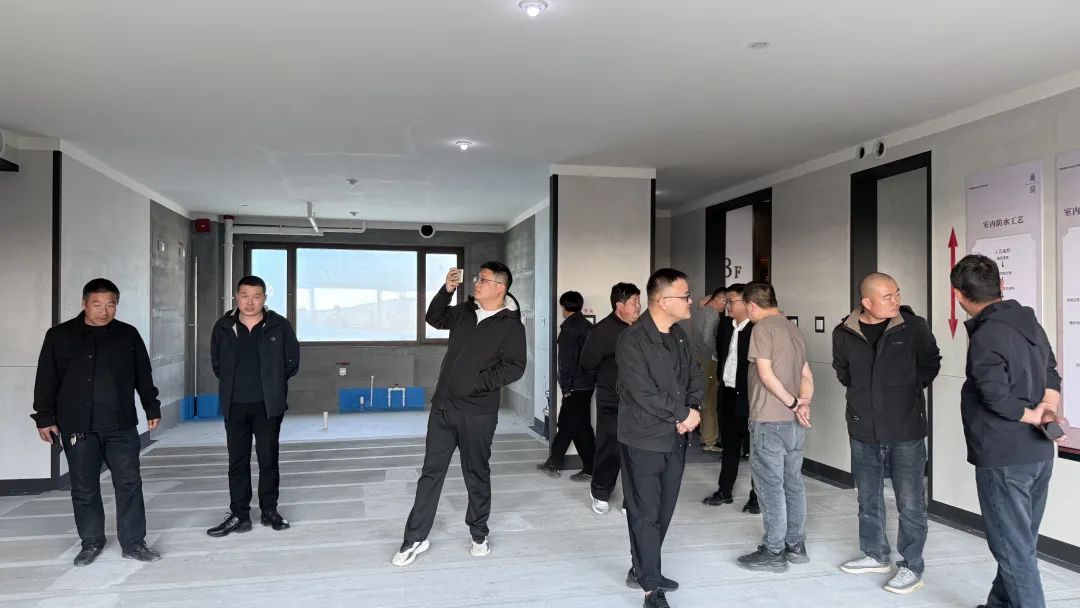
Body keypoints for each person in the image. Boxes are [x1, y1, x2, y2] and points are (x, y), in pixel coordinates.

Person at [392, 262, 527, 566]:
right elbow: (434, 317)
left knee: (476, 473)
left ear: (500, 288)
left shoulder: (511, 326)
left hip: (477, 414)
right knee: (430, 473)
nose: (476, 282)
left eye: (483, 279)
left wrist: (477, 383)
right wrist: (447, 290)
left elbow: (515, 367)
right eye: (477, 277)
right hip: (443, 408)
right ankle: (415, 537)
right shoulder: (465, 311)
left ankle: (478, 532)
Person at [951, 254, 1064, 608]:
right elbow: (1051, 372)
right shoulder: (1028, 322)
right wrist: (1047, 410)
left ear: (958, 295)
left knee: (1013, 549)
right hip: (1038, 453)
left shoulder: (986, 335)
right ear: (1001, 285)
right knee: (1019, 542)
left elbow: (995, 396)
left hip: (1004, 456)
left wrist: (1031, 415)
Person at [32, 278, 162, 566]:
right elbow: (46, 378)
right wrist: (44, 417)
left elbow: (143, 374)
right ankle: (91, 542)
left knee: (129, 484)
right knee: (84, 487)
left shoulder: (128, 335)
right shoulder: (59, 336)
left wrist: (151, 406)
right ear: (84, 304)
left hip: (120, 425)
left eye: (110, 305)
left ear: (117, 305)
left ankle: (134, 543)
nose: (104, 311)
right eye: (97, 305)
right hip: (78, 426)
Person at [833, 272, 941, 594]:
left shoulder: (913, 326)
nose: (895, 300)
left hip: (905, 429)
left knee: (910, 502)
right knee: (868, 498)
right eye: (887, 296)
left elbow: (930, 363)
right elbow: (843, 372)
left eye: (897, 293)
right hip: (863, 428)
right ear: (867, 302)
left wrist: (907, 393)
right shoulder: (844, 332)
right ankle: (875, 554)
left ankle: (911, 566)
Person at [617, 268, 704, 608]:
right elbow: (643, 392)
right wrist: (682, 414)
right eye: (685, 296)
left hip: (675, 439)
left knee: (664, 510)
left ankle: (643, 567)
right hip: (643, 440)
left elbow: (696, 375)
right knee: (644, 512)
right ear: (664, 301)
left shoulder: (678, 335)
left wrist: (691, 410)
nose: (690, 301)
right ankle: (651, 588)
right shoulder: (632, 340)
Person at [207, 275, 300, 537]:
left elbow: (292, 362)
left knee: (268, 459)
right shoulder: (223, 326)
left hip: (267, 406)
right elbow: (217, 364)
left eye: (256, 296)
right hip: (234, 405)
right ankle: (239, 515)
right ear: (236, 297)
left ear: (264, 298)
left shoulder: (279, 325)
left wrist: (273, 385)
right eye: (245, 296)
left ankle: (270, 511)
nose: (250, 302)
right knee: (237, 461)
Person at [736, 281, 813, 573]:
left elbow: (765, 375)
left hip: (769, 420)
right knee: (793, 483)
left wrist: (793, 403)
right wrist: (803, 403)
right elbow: (807, 375)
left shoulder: (762, 328)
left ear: (752, 305)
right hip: (794, 424)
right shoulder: (793, 329)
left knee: (770, 487)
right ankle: (796, 545)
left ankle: (774, 550)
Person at [581, 282, 641, 514]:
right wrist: (609, 381)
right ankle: (600, 492)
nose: (639, 306)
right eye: (634, 302)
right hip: (611, 401)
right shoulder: (602, 331)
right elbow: (588, 364)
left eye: (639, 301)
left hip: (640, 402)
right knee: (609, 449)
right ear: (619, 305)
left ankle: (631, 500)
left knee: (636, 452)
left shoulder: (642, 329)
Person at [703, 283, 759, 513]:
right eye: (726, 301)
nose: (727, 305)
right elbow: (721, 354)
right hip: (726, 393)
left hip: (749, 396)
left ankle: (757, 497)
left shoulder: (757, 329)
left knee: (755, 450)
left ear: (746, 303)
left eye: (732, 301)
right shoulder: (725, 325)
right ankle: (724, 490)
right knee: (729, 447)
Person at [537, 290, 596, 480]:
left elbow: (567, 362)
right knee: (572, 424)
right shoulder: (587, 326)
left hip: (575, 386)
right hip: (586, 384)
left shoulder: (570, 329)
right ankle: (555, 463)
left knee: (576, 426)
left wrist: (566, 387)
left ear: (564, 307)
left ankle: (588, 468)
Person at [695, 289, 727, 452]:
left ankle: (705, 436)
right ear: (720, 299)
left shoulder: (700, 311)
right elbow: (708, 339)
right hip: (709, 361)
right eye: (726, 302)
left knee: (704, 399)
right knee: (710, 401)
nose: (727, 306)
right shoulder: (713, 315)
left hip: (698, 360)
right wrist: (720, 354)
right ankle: (709, 440)